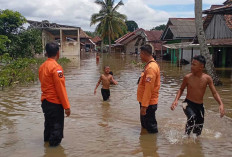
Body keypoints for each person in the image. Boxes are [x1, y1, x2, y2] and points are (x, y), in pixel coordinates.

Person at [170, 55, 224, 136]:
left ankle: (196, 145)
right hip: (186, 103)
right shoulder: (187, 77)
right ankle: (186, 137)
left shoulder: (207, 78)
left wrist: (221, 104)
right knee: (192, 117)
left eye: (194, 64)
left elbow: (214, 93)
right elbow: (181, 89)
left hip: (199, 106)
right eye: (191, 64)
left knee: (199, 128)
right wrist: (176, 100)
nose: (191, 66)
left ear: (201, 67)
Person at [39, 42, 71, 147]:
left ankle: (46, 150)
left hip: (45, 102)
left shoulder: (42, 67)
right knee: (56, 131)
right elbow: (60, 88)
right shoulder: (56, 68)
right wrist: (66, 107)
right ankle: (53, 151)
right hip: (54, 103)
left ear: (46, 53)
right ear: (57, 53)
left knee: (48, 127)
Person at [137, 44, 160, 133]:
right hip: (145, 102)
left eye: (140, 54)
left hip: (148, 103)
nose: (140, 56)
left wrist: (144, 106)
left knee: (151, 128)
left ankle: (151, 145)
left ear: (143, 53)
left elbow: (148, 89)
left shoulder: (151, 68)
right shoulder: (149, 65)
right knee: (145, 126)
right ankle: (145, 145)